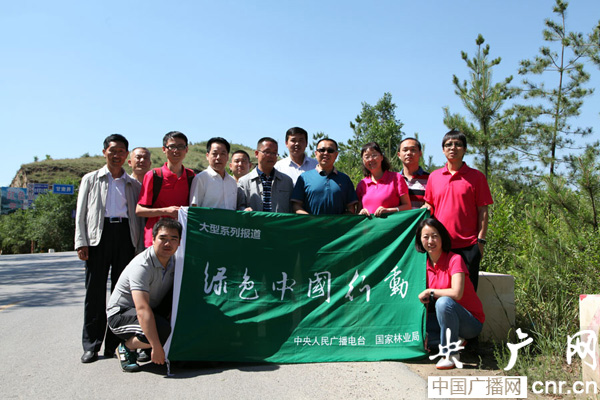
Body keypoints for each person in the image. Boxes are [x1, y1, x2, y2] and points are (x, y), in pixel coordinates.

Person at [75, 134, 144, 364]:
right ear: (104, 152)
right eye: (112, 150)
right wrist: (81, 241)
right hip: (98, 236)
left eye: (121, 151)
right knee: (94, 292)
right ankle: (91, 345)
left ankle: (114, 344)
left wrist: (138, 247)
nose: (117, 155)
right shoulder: (91, 179)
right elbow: (81, 213)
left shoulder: (133, 184)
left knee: (121, 293)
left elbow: (138, 218)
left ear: (127, 155)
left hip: (125, 236)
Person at [107, 218, 181, 372]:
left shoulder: (175, 262)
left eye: (173, 239)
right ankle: (127, 347)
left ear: (179, 242)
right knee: (162, 331)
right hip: (121, 314)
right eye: (162, 238)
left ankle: (146, 345)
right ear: (153, 239)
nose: (168, 243)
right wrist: (156, 346)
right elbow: (142, 309)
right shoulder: (142, 265)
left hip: (149, 310)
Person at [423, 130, 493, 290]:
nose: (453, 148)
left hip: (469, 245)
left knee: (467, 293)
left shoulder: (477, 177)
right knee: (441, 291)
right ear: (443, 150)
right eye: (448, 145)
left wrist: (480, 242)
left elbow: (483, 211)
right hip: (440, 245)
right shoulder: (434, 177)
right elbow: (429, 206)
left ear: (465, 149)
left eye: (458, 144)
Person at [415, 218, 485, 370]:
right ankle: (455, 340)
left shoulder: (455, 259)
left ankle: (450, 354)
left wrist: (430, 291)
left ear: (442, 238)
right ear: (420, 240)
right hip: (444, 320)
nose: (430, 241)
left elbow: (457, 293)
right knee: (416, 332)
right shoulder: (422, 264)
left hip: (470, 322)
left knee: (443, 302)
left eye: (435, 236)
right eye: (426, 237)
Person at [136, 131, 195, 248]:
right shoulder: (154, 175)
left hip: (181, 238)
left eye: (180, 146)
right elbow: (140, 210)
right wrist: (166, 211)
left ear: (186, 149)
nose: (176, 150)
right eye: (172, 146)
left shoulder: (191, 176)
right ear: (164, 149)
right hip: (156, 238)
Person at [291, 138, 357, 215]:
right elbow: (296, 206)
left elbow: (351, 208)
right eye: (322, 150)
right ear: (316, 153)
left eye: (330, 150)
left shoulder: (345, 179)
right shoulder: (304, 178)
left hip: (338, 223)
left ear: (336, 155)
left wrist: (339, 221)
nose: (326, 153)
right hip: (311, 222)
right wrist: (311, 220)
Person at [237, 137, 293, 213]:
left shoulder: (287, 181)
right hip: (254, 221)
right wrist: (244, 210)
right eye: (267, 152)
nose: (271, 156)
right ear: (257, 153)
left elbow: (292, 209)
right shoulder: (244, 182)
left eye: (274, 153)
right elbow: (239, 207)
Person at [357, 142, 411, 217]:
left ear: (381, 157)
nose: (371, 159)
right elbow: (357, 212)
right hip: (369, 225)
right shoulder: (362, 184)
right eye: (367, 157)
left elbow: (407, 207)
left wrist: (389, 210)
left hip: (391, 224)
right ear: (363, 161)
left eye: (374, 155)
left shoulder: (396, 178)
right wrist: (361, 213)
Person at [189, 137, 237, 209]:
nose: (218, 157)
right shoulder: (201, 179)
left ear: (227, 157)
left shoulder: (232, 182)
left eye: (222, 154)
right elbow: (194, 208)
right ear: (207, 156)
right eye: (215, 154)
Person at [398, 138, 429, 209]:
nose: (409, 153)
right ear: (399, 155)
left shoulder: (430, 179)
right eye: (405, 150)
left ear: (420, 153)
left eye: (413, 150)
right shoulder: (393, 180)